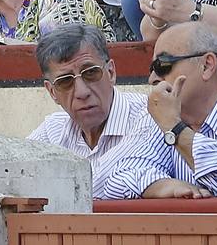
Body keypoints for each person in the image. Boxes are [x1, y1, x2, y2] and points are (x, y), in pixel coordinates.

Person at [107, 22, 217, 198]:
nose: (152, 78)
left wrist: (176, 130)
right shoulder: (165, 114)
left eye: (162, 65)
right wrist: (160, 185)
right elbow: (110, 180)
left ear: (207, 65)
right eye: (152, 69)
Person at [21, 23, 149, 198]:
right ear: (52, 92)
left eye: (90, 73)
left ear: (111, 72)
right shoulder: (52, 132)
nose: (82, 92)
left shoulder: (146, 117)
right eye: (65, 82)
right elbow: (13, 175)